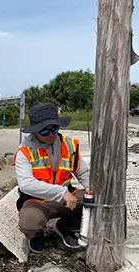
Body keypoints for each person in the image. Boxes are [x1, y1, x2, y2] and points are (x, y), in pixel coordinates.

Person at [14, 102, 90, 253]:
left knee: (95, 201)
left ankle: (66, 227)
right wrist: (60, 193)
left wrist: (93, 190)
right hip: (36, 200)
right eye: (44, 132)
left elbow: (84, 173)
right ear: (35, 131)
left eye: (54, 129)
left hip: (67, 199)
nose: (51, 134)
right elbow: (26, 184)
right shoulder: (24, 152)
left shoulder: (69, 145)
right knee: (29, 222)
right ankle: (37, 235)